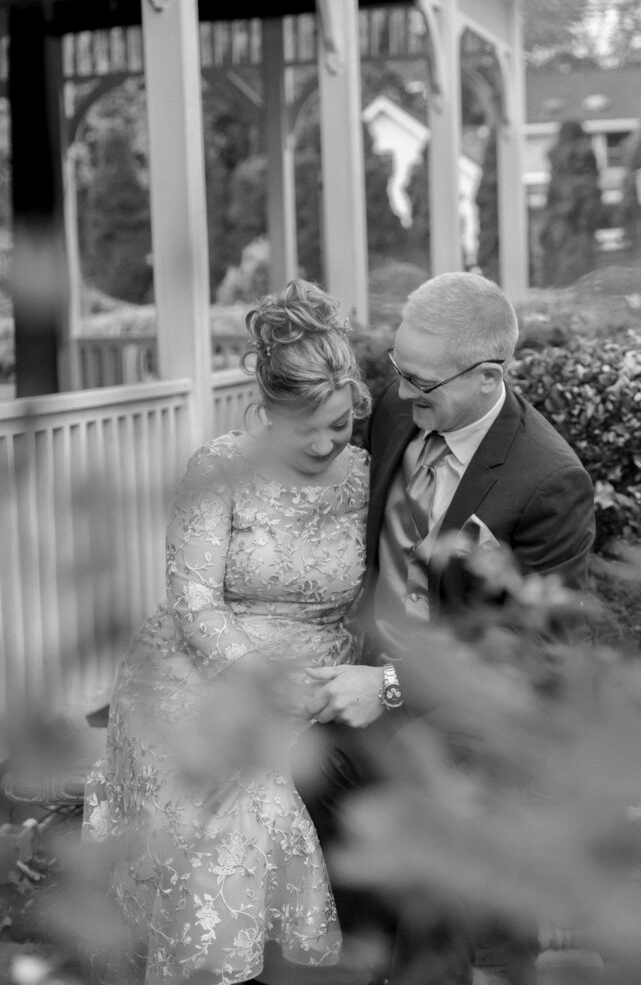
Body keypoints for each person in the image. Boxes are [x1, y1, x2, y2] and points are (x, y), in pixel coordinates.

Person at [299, 271, 596, 983]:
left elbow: (532, 653)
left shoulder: (547, 479)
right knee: (281, 776)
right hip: (364, 681)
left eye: (420, 384)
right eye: (398, 373)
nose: (399, 396)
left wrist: (391, 688)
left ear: (488, 375)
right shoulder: (404, 411)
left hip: (471, 720)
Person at [82, 280, 372, 985]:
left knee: (259, 791)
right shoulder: (219, 468)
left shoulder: (366, 472)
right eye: (307, 427)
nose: (327, 441)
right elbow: (192, 600)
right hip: (196, 669)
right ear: (266, 408)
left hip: (316, 669)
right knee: (224, 802)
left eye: (341, 424)